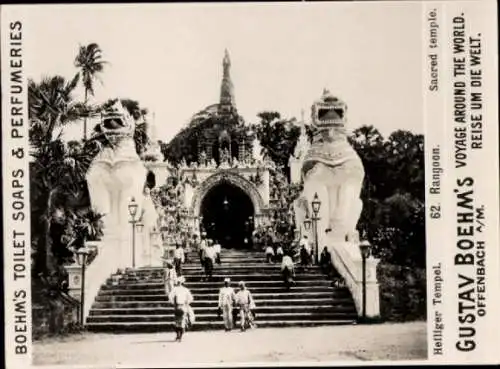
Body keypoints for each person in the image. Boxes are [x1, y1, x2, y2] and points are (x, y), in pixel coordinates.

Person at [168, 276, 193, 342]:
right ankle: (180, 336)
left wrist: (173, 303)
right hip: (183, 306)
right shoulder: (186, 289)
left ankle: (178, 335)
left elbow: (170, 297)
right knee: (182, 321)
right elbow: (191, 299)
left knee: (177, 321)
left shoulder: (175, 289)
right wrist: (187, 303)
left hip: (177, 306)